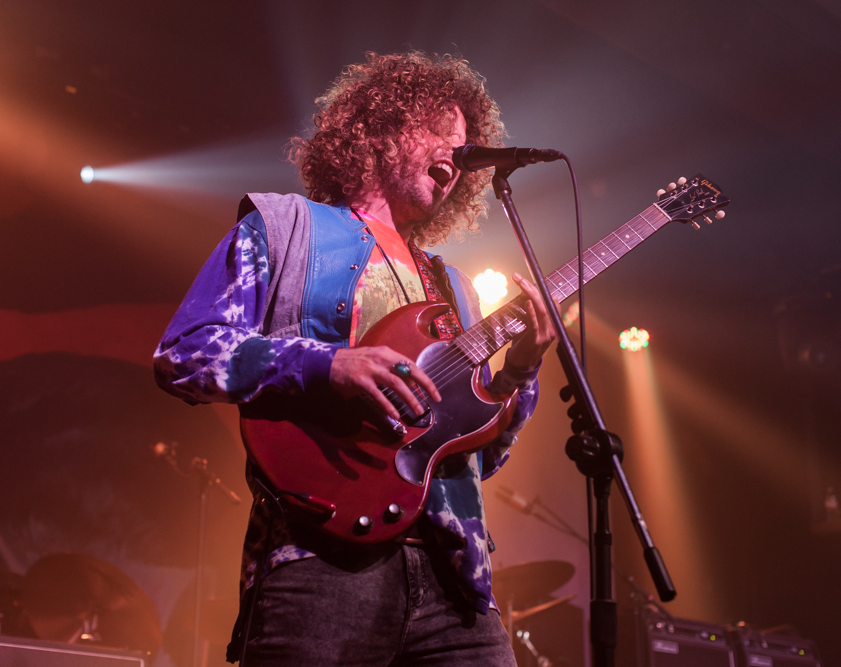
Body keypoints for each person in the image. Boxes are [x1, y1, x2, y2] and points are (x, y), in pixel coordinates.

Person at [154, 51, 556, 666]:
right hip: (320, 562)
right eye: (441, 133)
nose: (458, 155)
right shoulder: (285, 228)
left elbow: (482, 457)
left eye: (466, 146)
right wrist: (327, 365)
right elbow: (185, 354)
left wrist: (521, 373)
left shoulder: (456, 288)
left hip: (455, 581)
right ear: (380, 130)